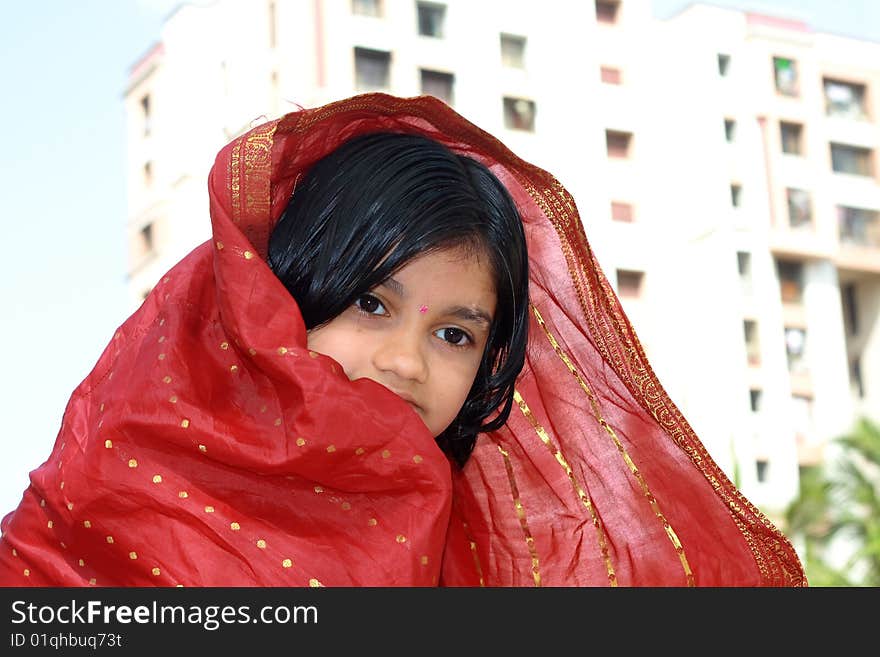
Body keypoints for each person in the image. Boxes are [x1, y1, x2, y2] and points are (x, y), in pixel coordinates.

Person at [0, 93, 807, 586]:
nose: (404, 361)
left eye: (454, 333)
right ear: (274, 296)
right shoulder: (120, 474)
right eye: (371, 303)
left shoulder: (470, 546)